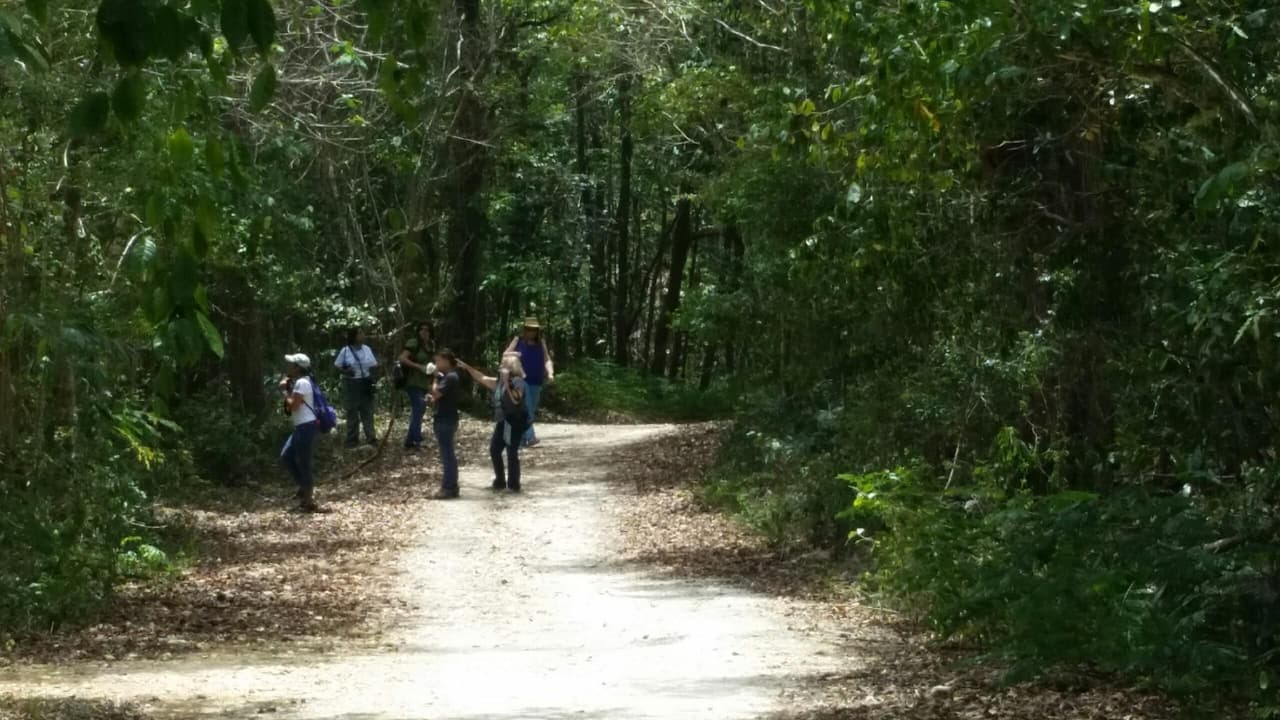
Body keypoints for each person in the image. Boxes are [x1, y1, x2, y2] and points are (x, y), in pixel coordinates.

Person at [459, 353, 528, 493]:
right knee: (495, 450)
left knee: (511, 452)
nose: (500, 367)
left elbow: (516, 400)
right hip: (502, 421)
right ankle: (500, 481)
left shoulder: (518, 381)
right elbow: (481, 378)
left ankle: (514, 485)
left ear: (511, 368)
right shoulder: (498, 383)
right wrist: (467, 367)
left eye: (504, 365)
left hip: (514, 421)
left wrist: (508, 382)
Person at [279, 353, 322, 512]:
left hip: (306, 426)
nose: (288, 367)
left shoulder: (302, 383)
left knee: (304, 463)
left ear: (298, 367)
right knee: (286, 456)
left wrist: (284, 391)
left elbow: (293, 406)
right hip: (301, 426)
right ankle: (304, 489)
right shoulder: (301, 382)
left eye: (291, 364)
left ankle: (309, 501)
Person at [504, 316, 554, 447]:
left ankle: (519, 440)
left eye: (534, 330)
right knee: (527, 408)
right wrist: (515, 356)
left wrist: (550, 373)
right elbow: (505, 355)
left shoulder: (541, 343)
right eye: (529, 329)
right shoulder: (518, 341)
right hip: (521, 380)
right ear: (524, 330)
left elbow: (547, 359)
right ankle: (530, 437)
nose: (531, 332)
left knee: (529, 410)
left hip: (536, 382)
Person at [335, 327, 379, 448]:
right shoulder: (345, 351)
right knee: (352, 411)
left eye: (362, 332)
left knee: (367, 410)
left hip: (366, 382)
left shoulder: (367, 349)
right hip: (351, 383)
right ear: (353, 336)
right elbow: (337, 365)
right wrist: (346, 371)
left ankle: (371, 438)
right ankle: (352, 440)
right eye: (360, 333)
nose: (363, 335)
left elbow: (374, 364)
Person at [428, 349, 463, 499]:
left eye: (438, 361)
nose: (436, 364)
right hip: (444, 418)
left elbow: (436, 393)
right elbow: (437, 397)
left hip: (446, 420)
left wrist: (435, 378)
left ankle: (449, 487)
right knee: (447, 454)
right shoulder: (448, 377)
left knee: (447, 454)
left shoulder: (450, 377)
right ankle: (451, 486)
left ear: (447, 361)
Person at [398, 322, 436, 450]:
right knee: (419, 408)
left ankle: (409, 441)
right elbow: (402, 358)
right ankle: (417, 440)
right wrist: (418, 366)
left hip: (425, 383)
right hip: (413, 382)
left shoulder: (431, 345)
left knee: (419, 411)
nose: (424, 332)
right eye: (421, 329)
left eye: (427, 330)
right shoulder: (413, 343)